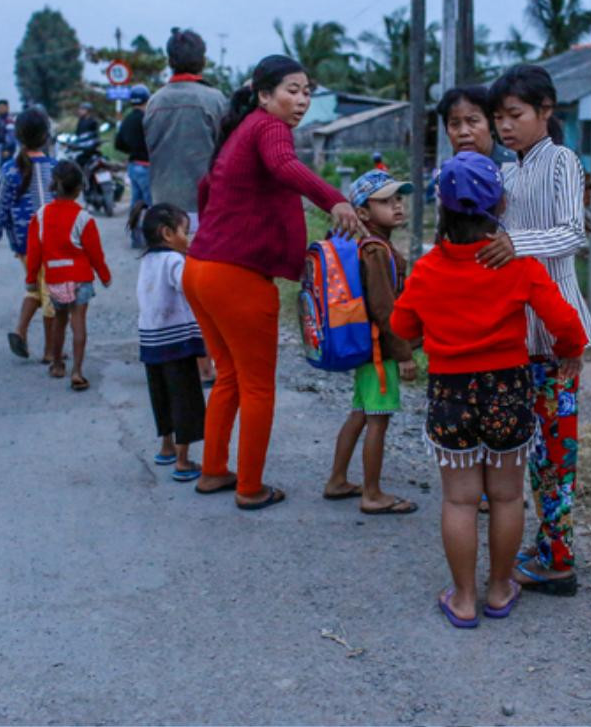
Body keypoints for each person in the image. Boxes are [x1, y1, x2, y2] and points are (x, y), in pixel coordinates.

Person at [390, 151, 588, 628]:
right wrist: (571, 350)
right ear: (499, 204)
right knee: (505, 497)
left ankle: (462, 598)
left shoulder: (428, 268)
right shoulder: (516, 265)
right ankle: (499, 589)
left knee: (459, 499)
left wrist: (428, 335)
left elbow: (401, 324)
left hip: (449, 394)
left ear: (443, 208)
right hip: (508, 391)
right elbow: (564, 320)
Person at [181, 54, 362, 510]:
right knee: (258, 386)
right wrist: (335, 199)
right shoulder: (269, 128)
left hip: (200, 269)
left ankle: (214, 471)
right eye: (292, 90)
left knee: (228, 377)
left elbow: (206, 189)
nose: (301, 100)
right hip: (236, 276)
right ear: (265, 95)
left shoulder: (241, 131)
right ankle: (250, 488)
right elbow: (284, 167)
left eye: (306, 92)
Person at [484, 64, 591, 597]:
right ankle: (549, 543)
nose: (505, 126)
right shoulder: (509, 170)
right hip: (521, 331)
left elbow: (572, 232)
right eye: (499, 117)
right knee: (536, 449)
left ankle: (559, 561)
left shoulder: (561, 161)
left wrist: (517, 244)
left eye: (516, 115)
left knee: (556, 452)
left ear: (546, 111)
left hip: (556, 333)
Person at [323, 170, 419, 516]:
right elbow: (383, 308)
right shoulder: (376, 251)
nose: (396, 205)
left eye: (398, 199)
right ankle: (373, 494)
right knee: (378, 419)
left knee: (361, 413)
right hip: (380, 352)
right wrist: (404, 354)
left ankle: (337, 480)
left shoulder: (367, 246)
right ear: (362, 212)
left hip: (368, 349)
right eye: (385, 200)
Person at [128, 201, 207, 483]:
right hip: (177, 342)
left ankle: (166, 447)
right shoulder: (175, 261)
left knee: (161, 396)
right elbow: (190, 286)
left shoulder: (147, 259)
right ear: (167, 233)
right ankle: (184, 461)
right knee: (185, 399)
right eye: (186, 232)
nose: (190, 238)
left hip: (152, 341)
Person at [25, 160, 112, 391]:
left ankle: (56, 365)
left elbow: (34, 251)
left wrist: (31, 278)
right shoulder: (84, 218)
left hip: (55, 277)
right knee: (79, 322)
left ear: (54, 185)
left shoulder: (41, 216)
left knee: (59, 321)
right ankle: (77, 371)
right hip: (81, 277)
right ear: (79, 188)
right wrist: (104, 275)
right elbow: (95, 252)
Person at [0, 108, 58, 363]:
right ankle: (51, 351)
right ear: (47, 136)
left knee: (38, 289)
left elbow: (0, 210)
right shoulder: (55, 168)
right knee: (51, 294)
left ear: (18, 137)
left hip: (24, 247)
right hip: (53, 245)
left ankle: (20, 331)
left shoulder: (9, 170)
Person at [143, 28, 228, 221]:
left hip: (163, 208)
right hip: (205, 208)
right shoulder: (215, 100)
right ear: (203, 61)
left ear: (170, 62)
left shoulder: (154, 102)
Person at [436, 85, 517, 167]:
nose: (463, 132)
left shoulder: (514, 167)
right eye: (455, 124)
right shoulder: (447, 172)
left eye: (473, 121)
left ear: (491, 124)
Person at [115, 84, 152, 248]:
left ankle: (135, 238)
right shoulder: (148, 118)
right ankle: (153, 238)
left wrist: (132, 150)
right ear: (147, 99)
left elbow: (118, 143)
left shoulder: (127, 120)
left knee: (135, 203)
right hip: (147, 166)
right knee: (151, 204)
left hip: (133, 165)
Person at [0, 99, 16, 167]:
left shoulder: (9, 120)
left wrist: (7, 149)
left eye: (2, 107)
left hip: (7, 149)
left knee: (7, 167)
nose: (0, 109)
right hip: (0, 147)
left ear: (7, 108)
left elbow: (11, 137)